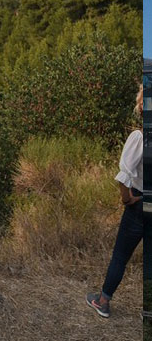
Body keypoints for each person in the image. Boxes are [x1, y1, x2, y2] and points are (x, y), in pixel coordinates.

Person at [86, 84, 144, 318]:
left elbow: (124, 175)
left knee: (121, 255)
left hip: (139, 204)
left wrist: (127, 199)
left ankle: (103, 301)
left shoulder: (139, 136)